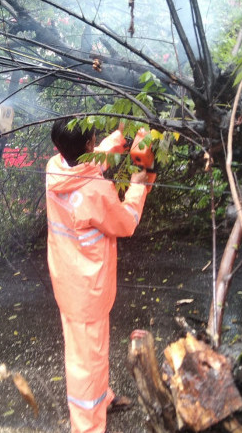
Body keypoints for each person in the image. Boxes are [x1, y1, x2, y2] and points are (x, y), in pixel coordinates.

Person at [45, 117, 153, 433]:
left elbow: (92, 162)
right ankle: (87, 426)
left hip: (69, 280)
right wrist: (139, 181)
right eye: (95, 138)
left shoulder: (55, 168)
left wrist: (120, 138)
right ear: (90, 144)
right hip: (87, 291)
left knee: (93, 350)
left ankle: (101, 397)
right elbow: (127, 222)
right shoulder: (96, 192)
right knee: (85, 363)